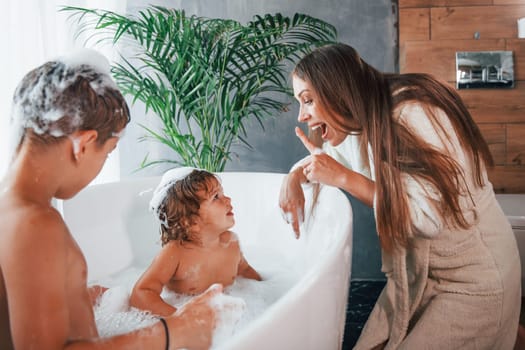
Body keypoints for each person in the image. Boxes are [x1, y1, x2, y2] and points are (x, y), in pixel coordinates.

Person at [279, 43, 521, 349]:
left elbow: (426, 219)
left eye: (308, 100)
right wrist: (293, 178)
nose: (302, 115)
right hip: (418, 274)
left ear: (337, 90)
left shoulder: (412, 114)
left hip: (474, 277)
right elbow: (325, 159)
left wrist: (345, 179)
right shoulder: (358, 123)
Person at [0, 49, 222, 350]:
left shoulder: (13, 208)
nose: (104, 161)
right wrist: (175, 331)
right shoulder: (34, 223)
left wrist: (76, 297)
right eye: (109, 152)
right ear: (85, 143)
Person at [130, 167, 262, 316]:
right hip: (185, 320)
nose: (228, 199)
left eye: (223, 193)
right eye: (216, 197)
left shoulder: (231, 242)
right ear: (191, 222)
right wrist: (181, 319)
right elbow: (141, 293)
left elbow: (245, 271)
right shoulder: (176, 252)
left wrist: (268, 289)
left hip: (225, 317)